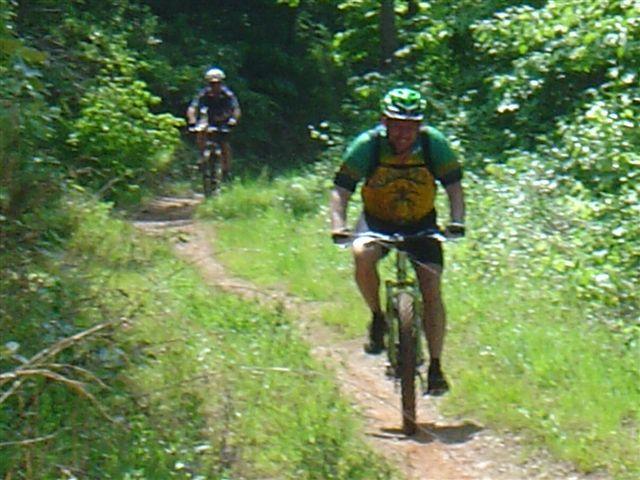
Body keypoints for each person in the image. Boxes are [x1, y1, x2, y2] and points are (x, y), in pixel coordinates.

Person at [329, 87, 465, 396]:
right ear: (384, 122)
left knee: (431, 287)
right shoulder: (368, 146)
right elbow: (341, 189)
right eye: (396, 124)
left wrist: (457, 221)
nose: (403, 132)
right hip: (377, 221)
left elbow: (454, 185)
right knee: (362, 253)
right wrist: (339, 225)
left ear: (420, 125)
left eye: (410, 125)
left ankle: (435, 366)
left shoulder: (433, 145)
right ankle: (378, 317)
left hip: (421, 223)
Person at [187, 67, 241, 182]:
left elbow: (236, 109)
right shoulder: (203, 94)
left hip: (224, 121)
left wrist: (233, 120)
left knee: (224, 143)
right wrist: (192, 121)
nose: (214, 86)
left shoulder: (227, 94)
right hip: (208, 119)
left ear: (221, 83)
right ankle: (202, 157)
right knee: (201, 131)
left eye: (217, 83)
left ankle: (226, 170)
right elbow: (192, 108)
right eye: (211, 83)